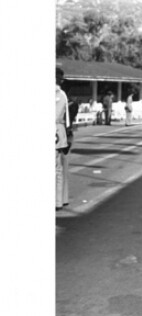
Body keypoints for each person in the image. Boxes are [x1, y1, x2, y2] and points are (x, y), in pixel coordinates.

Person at [56, 67, 72, 211]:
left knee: (58, 168)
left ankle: (60, 200)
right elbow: (67, 120)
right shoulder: (63, 95)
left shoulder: (62, 94)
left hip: (59, 132)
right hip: (59, 133)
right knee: (58, 168)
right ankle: (59, 201)